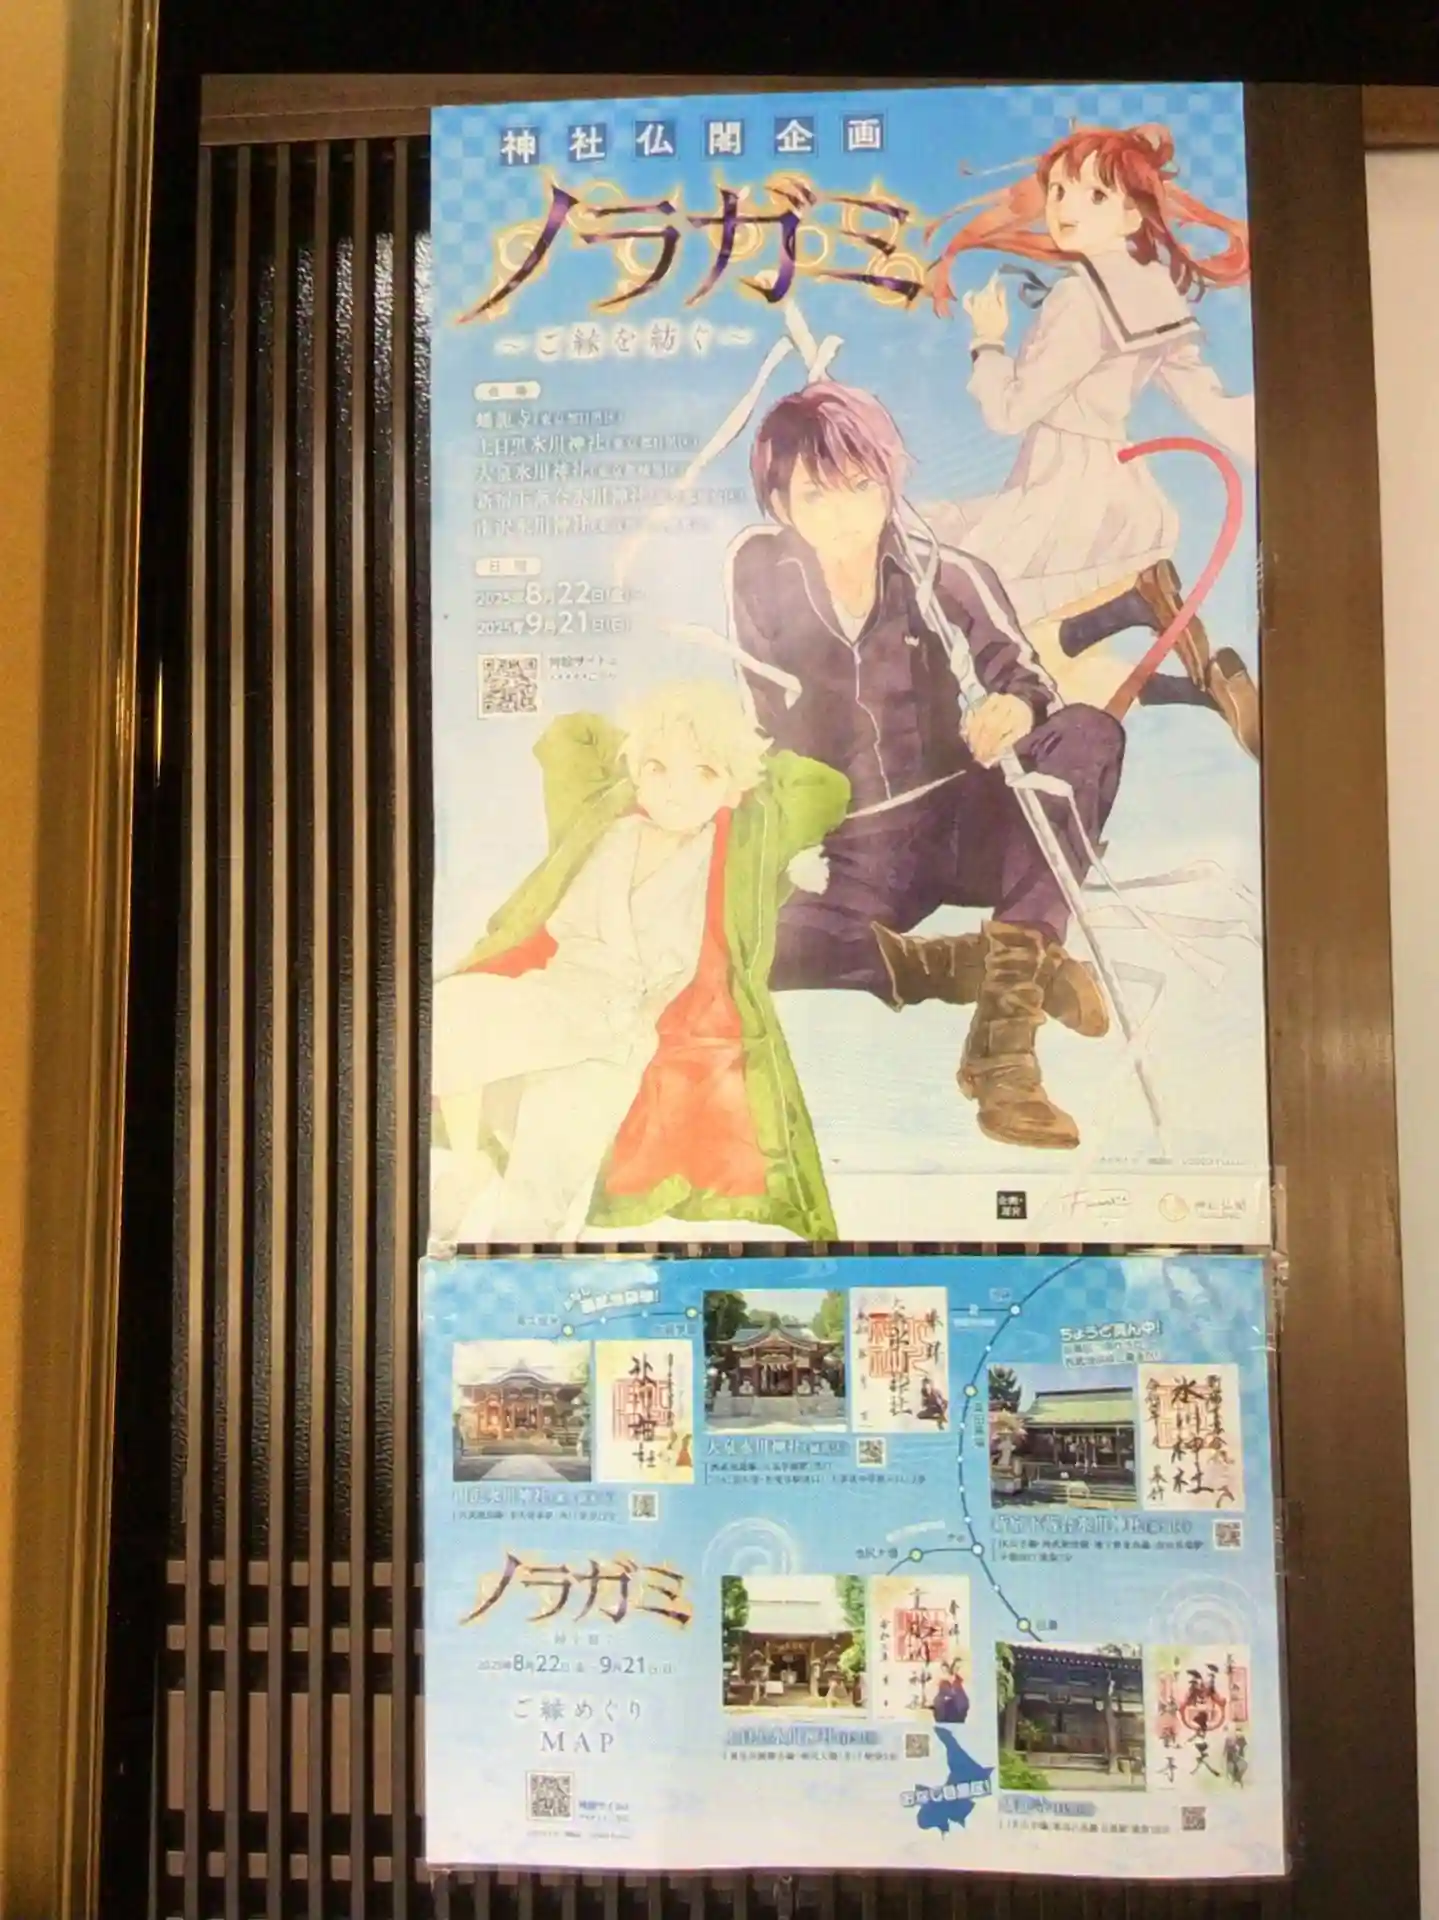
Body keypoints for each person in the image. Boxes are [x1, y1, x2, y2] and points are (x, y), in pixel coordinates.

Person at [726, 380, 1126, 1151]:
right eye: (816, 494)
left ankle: (1003, 1051)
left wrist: (1013, 710)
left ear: (888, 483)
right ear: (780, 505)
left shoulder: (942, 572)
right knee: (749, 950)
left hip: (960, 819)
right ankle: (999, 965)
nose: (843, 512)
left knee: (1087, 733)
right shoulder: (757, 572)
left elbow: (1024, 677)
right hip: (851, 847)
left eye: (860, 485)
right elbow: (761, 720)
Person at [429, 680, 849, 1241]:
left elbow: (825, 787)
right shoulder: (607, 826)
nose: (675, 791)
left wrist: (737, 761)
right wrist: (664, 738)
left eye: (702, 773)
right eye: (658, 768)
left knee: (538, 1197)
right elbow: (572, 734)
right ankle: (469, 1164)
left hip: (620, 1030)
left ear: (733, 789)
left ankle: (503, 1237)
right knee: (446, 1014)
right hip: (553, 994)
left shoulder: (733, 857)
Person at [923, 123, 1260, 758]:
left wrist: (987, 341)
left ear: (1133, 213)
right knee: (1048, 661)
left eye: (1095, 195)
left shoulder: (1079, 298)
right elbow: (1207, 402)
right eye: (1057, 191)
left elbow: (1010, 411)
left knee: (983, 622)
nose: (1065, 207)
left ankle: (1136, 606)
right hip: (1116, 487)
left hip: (1058, 490)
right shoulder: (1154, 290)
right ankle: (1198, 681)